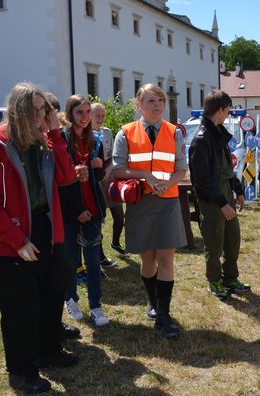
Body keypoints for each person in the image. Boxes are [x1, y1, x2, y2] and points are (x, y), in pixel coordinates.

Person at [0, 83, 78, 394]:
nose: (41, 117)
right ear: (18, 111)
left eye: (44, 111)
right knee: (20, 307)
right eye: (35, 111)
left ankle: (48, 351)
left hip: (46, 230)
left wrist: (57, 134)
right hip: (15, 239)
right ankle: (21, 373)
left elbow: (67, 176)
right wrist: (16, 239)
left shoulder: (44, 142)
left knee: (51, 294)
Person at [112, 83, 187, 339]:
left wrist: (168, 183)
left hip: (167, 202)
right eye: (150, 101)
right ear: (139, 105)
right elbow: (117, 169)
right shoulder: (126, 132)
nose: (156, 105)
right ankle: (152, 301)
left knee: (166, 258)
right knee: (148, 260)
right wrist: (145, 176)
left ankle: (163, 316)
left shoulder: (174, 132)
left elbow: (181, 168)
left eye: (160, 101)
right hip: (140, 203)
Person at [189, 90, 250, 300]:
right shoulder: (201, 139)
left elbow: (227, 169)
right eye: (228, 110)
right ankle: (214, 280)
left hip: (226, 194)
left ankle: (230, 278)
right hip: (212, 200)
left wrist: (238, 190)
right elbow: (203, 180)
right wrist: (223, 203)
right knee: (214, 242)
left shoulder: (219, 133)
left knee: (232, 238)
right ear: (220, 110)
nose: (229, 114)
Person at [59, 95, 109, 327]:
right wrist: (77, 209)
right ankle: (71, 299)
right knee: (70, 260)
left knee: (92, 259)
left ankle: (96, 305)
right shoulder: (61, 140)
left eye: (88, 111)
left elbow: (98, 177)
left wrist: (99, 168)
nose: (85, 116)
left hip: (92, 207)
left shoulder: (95, 138)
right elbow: (60, 182)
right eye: (80, 112)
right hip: (70, 210)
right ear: (70, 114)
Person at [44, 91, 82, 340]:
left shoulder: (56, 139)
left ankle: (54, 325)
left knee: (61, 272)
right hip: (45, 219)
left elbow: (66, 176)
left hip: (60, 214)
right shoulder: (36, 142)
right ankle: (48, 329)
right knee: (51, 277)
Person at [91, 102, 123, 265]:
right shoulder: (85, 135)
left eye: (103, 115)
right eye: (97, 115)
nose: (100, 118)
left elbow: (112, 155)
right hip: (96, 180)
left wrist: (109, 170)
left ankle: (116, 242)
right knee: (100, 219)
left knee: (119, 216)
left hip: (109, 178)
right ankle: (100, 256)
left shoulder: (107, 132)